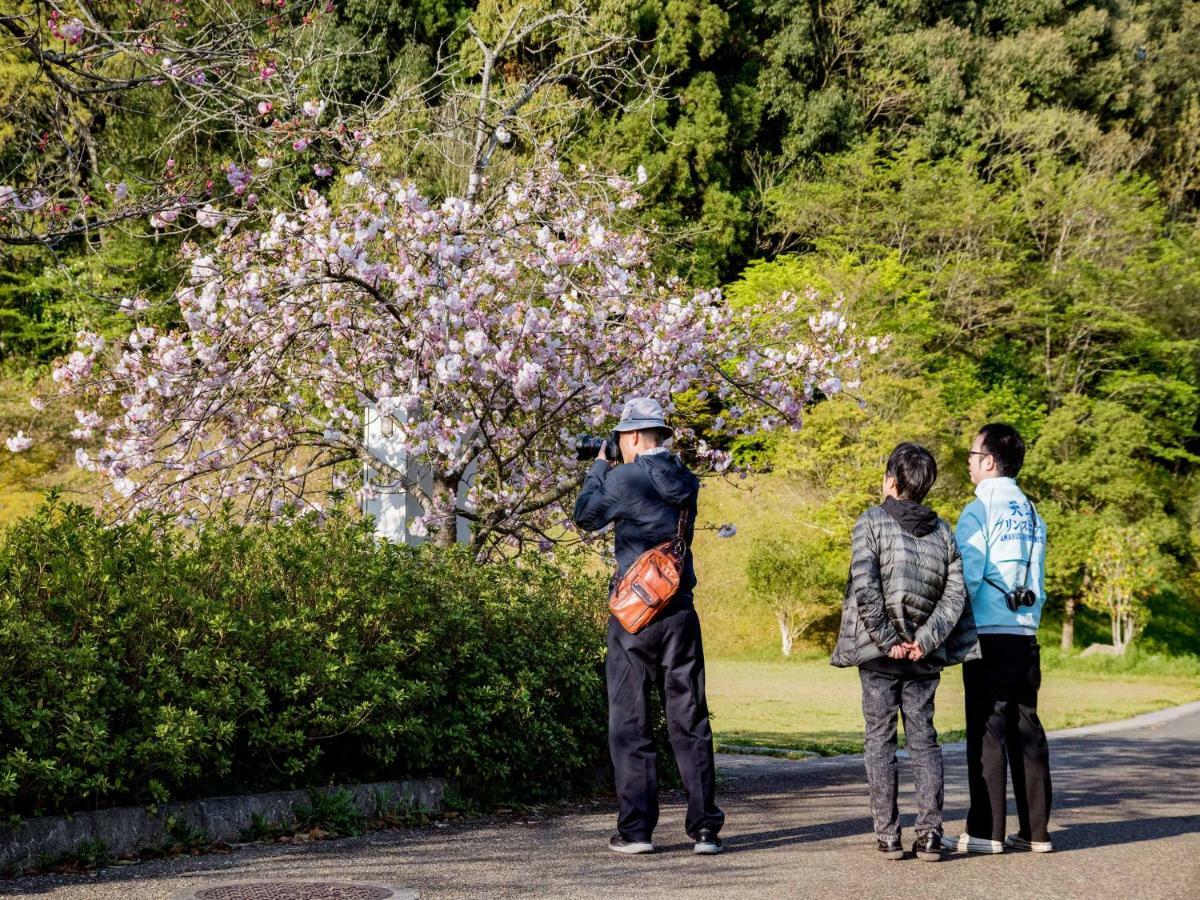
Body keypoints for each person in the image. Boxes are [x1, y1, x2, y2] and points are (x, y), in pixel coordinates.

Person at [572, 397, 724, 856]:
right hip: (680, 610)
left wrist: (599, 467)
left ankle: (636, 830)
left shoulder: (626, 475)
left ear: (634, 436)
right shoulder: (686, 480)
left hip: (635, 616)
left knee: (630, 719)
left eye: (620, 436)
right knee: (690, 717)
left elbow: (585, 516)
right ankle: (704, 830)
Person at [832, 442, 979, 861]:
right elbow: (954, 596)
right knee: (924, 740)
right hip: (923, 656)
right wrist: (925, 641)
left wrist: (887, 640)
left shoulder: (871, 522)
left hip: (881, 656)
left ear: (891, 481)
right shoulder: (944, 531)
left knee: (879, 740)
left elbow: (866, 588)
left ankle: (889, 834)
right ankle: (930, 833)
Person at [950, 423, 1053, 855]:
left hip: (989, 634)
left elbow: (967, 579)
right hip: (1025, 633)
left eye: (973, 456)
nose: (970, 464)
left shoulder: (978, 512)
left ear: (989, 461)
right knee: (1026, 728)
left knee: (987, 731)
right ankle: (1036, 831)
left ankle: (986, 832)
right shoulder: (1032, 512)